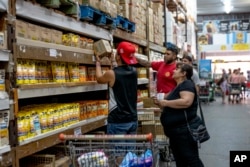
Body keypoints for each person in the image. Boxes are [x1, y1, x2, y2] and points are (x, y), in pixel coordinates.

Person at [154, 63, 204, 167]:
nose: (173, 71)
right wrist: (162, 103)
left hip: (184, 132)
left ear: (183, 73)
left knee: (191, 159)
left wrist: (166, 103)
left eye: (177, 69)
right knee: (181, 160)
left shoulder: (187, 84)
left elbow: (186, 102)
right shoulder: (179, 86)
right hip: (177, 132)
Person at [95, 41, 138, 135]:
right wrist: (114, 61)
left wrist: (98, 63)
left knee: (117, 150)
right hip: (132, 119)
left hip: (118, 121)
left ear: (118, 56)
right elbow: (119, 73)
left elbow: (99, 79)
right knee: (130, 150)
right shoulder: (134, 72)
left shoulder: (111, 74)